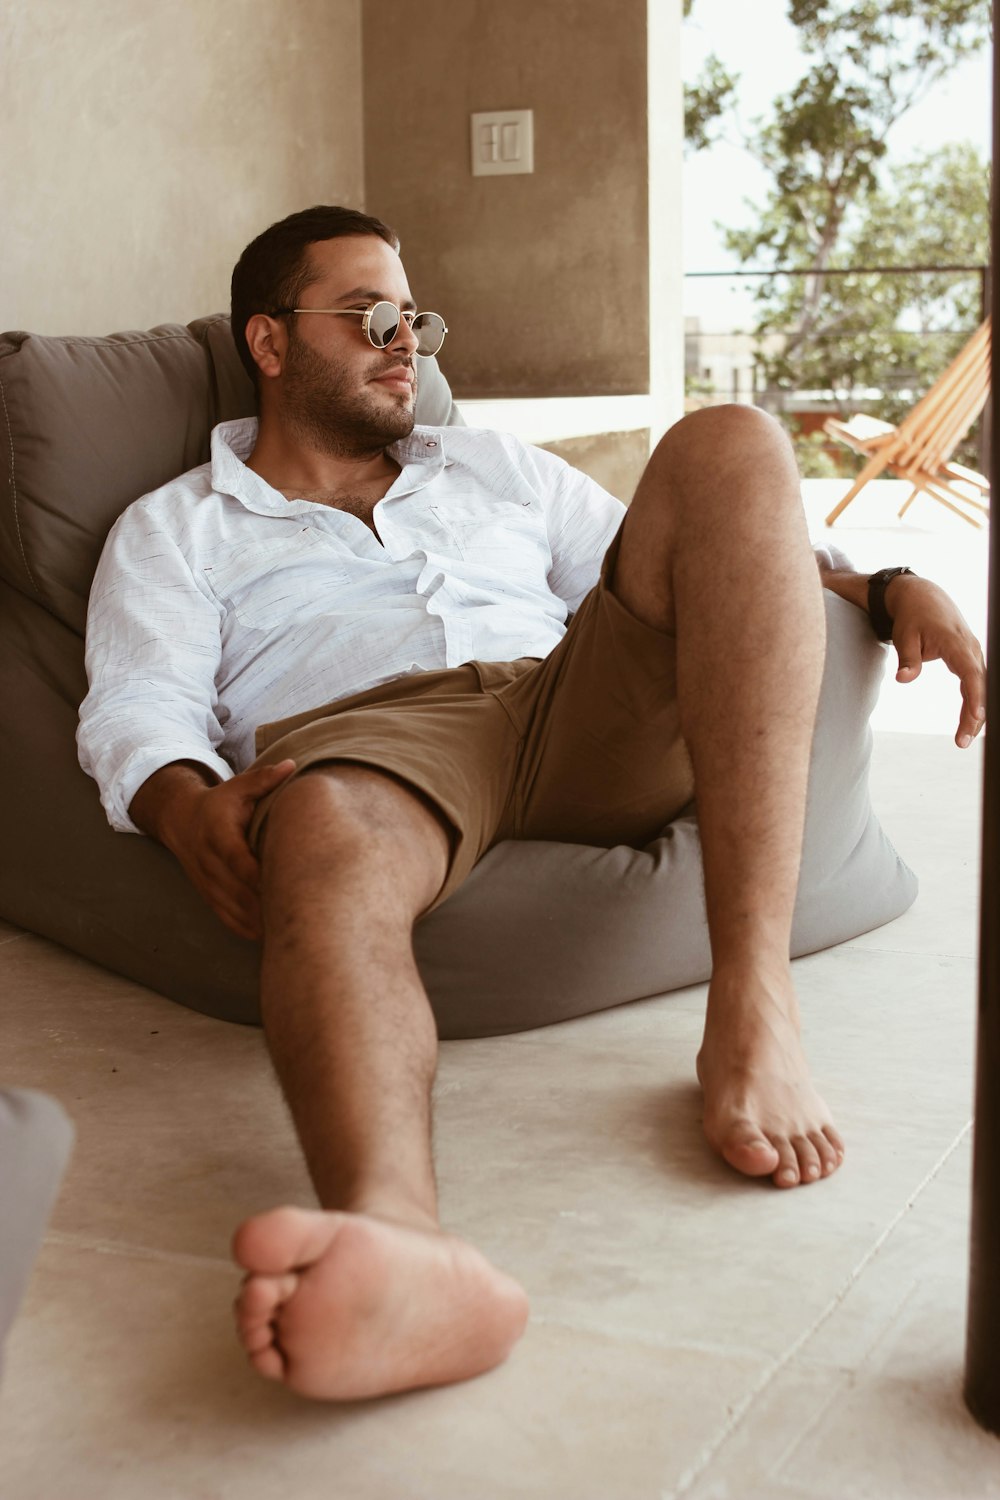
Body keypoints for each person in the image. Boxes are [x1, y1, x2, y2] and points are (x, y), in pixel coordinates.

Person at [77, 205, 986, 1403]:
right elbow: (137, 701)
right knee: (318, 825)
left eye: (416, 320)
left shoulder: (489, 466)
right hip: (375, 743)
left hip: (566, 698)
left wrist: (883, 581)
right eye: (370, 318)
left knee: (732, 442)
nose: (408, 344)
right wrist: (180, 800)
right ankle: (398, 1248)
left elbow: (715, 558)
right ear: (269, 341)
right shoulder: (177, 525)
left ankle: (751, 1010)